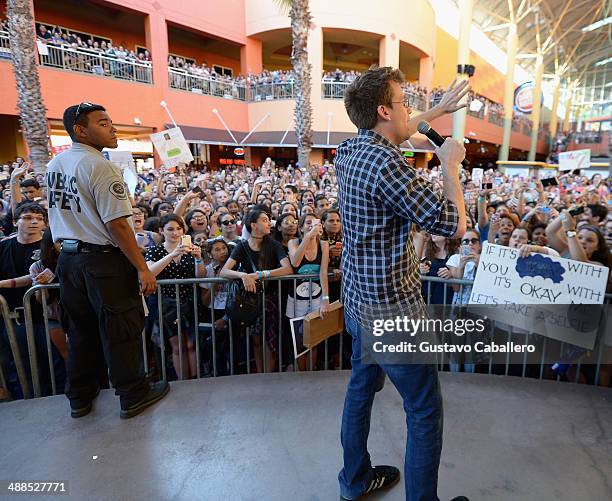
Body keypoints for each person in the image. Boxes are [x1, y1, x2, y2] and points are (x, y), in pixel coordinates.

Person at [335, 67, 469, 501]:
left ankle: (355, 481)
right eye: (404, 101)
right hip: (394, 316)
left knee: (360, 391)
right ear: (382, 110)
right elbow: (453, 225)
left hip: (359, 305)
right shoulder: (387, 164)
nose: (410, 110)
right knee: (425, 411)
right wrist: (449, 164)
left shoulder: (351, 149)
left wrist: (438, 110)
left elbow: (398, 130)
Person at [47, 102, 169, 419]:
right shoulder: (100, 167)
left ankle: (80, 397)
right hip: (103, 262)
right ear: (80, 129)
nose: (113, 128)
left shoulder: (55, 165)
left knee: (81, 331)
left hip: (70, 261)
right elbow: (117, 225)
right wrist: (142, 268)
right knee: (121, 328)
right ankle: (133, 393)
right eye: (103, 123)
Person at [145, 214, 205, 379]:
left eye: (179, 229)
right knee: (177, 346)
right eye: (170, 229)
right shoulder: (155, 250)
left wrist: (199, 259)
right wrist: (171, 255)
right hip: (167, 305)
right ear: (161, 231)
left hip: (189, 302)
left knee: (191, 344)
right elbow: (149, 272)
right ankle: (182, 382)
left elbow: (201, 276)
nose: (175, 233)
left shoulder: (189, 249)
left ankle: (195, 380)